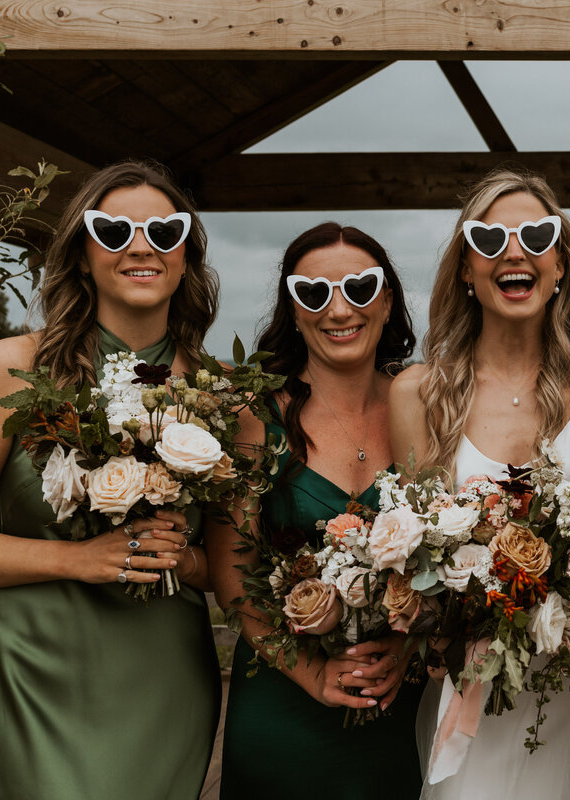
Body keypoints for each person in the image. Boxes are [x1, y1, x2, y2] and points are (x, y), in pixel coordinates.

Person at [0, 161, 222, 799]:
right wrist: (78, 558)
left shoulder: (220, 394)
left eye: (165, 231)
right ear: (82, 256)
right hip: (38, 668)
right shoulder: (12, 369)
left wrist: (185, 558)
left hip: (163, 675)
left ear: (185, 255)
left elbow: (231, 564)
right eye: (113, 230)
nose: (141, 245)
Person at [389, 168, 570, 800]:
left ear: (560, 265)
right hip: (473, 680)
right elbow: (418, 548)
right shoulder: (419, 391)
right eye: (490, 239)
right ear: (466, 270)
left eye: (536, 234)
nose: (515, 251)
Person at [206, 222, 423, 798]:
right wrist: (313, 674)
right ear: (293, 311)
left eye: (358, 288)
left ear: (387, 300)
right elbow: (232, 572)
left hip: (401, 703)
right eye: (313, 293)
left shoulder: (424, 405)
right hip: (284, 701)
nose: (337, 309)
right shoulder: (255, 416)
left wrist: (407, 647)